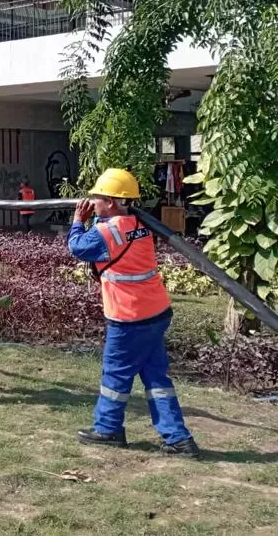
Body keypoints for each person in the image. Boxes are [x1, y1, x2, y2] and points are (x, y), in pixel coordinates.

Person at [67, 168, 199, 457]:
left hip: (129, 316)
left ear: (112, 202)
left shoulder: (106, 231)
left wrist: (78, 221)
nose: (93, 202)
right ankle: (178, 438)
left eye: (97, 197)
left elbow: (77, 247)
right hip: (156, 311)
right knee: (156, 378)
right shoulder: (138, 223)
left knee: (115, 375)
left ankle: (108, 429)